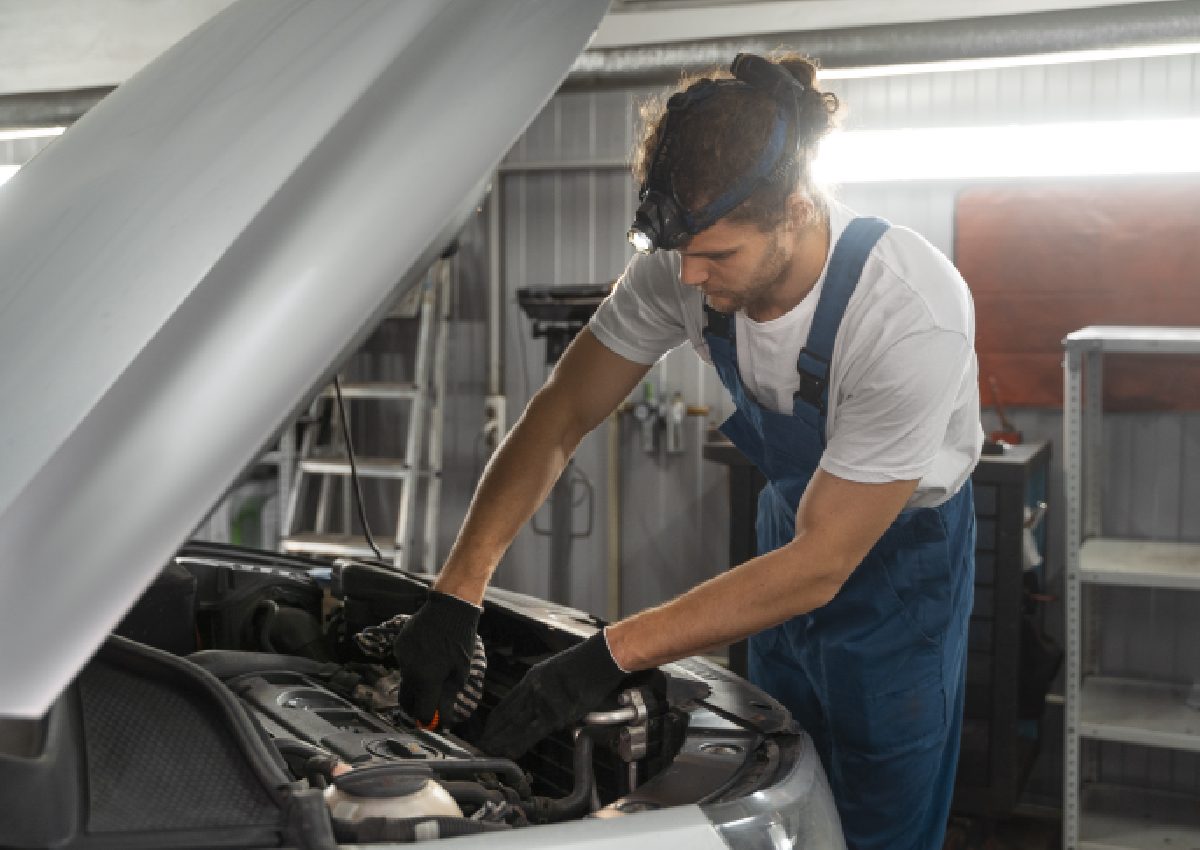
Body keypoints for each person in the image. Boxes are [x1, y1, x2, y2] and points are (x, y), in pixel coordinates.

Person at [391, 52, 982, 850]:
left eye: (719, 258)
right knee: (783, 782)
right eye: (684, 255)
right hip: (790, 532)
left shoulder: (909, 310)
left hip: (899, 570)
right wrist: (457, 592)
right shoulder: (680, 265)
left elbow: (823, 564)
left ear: (798, 210)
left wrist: (604, 655)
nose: (693, 280)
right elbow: (562, 412)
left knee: (880, 808)